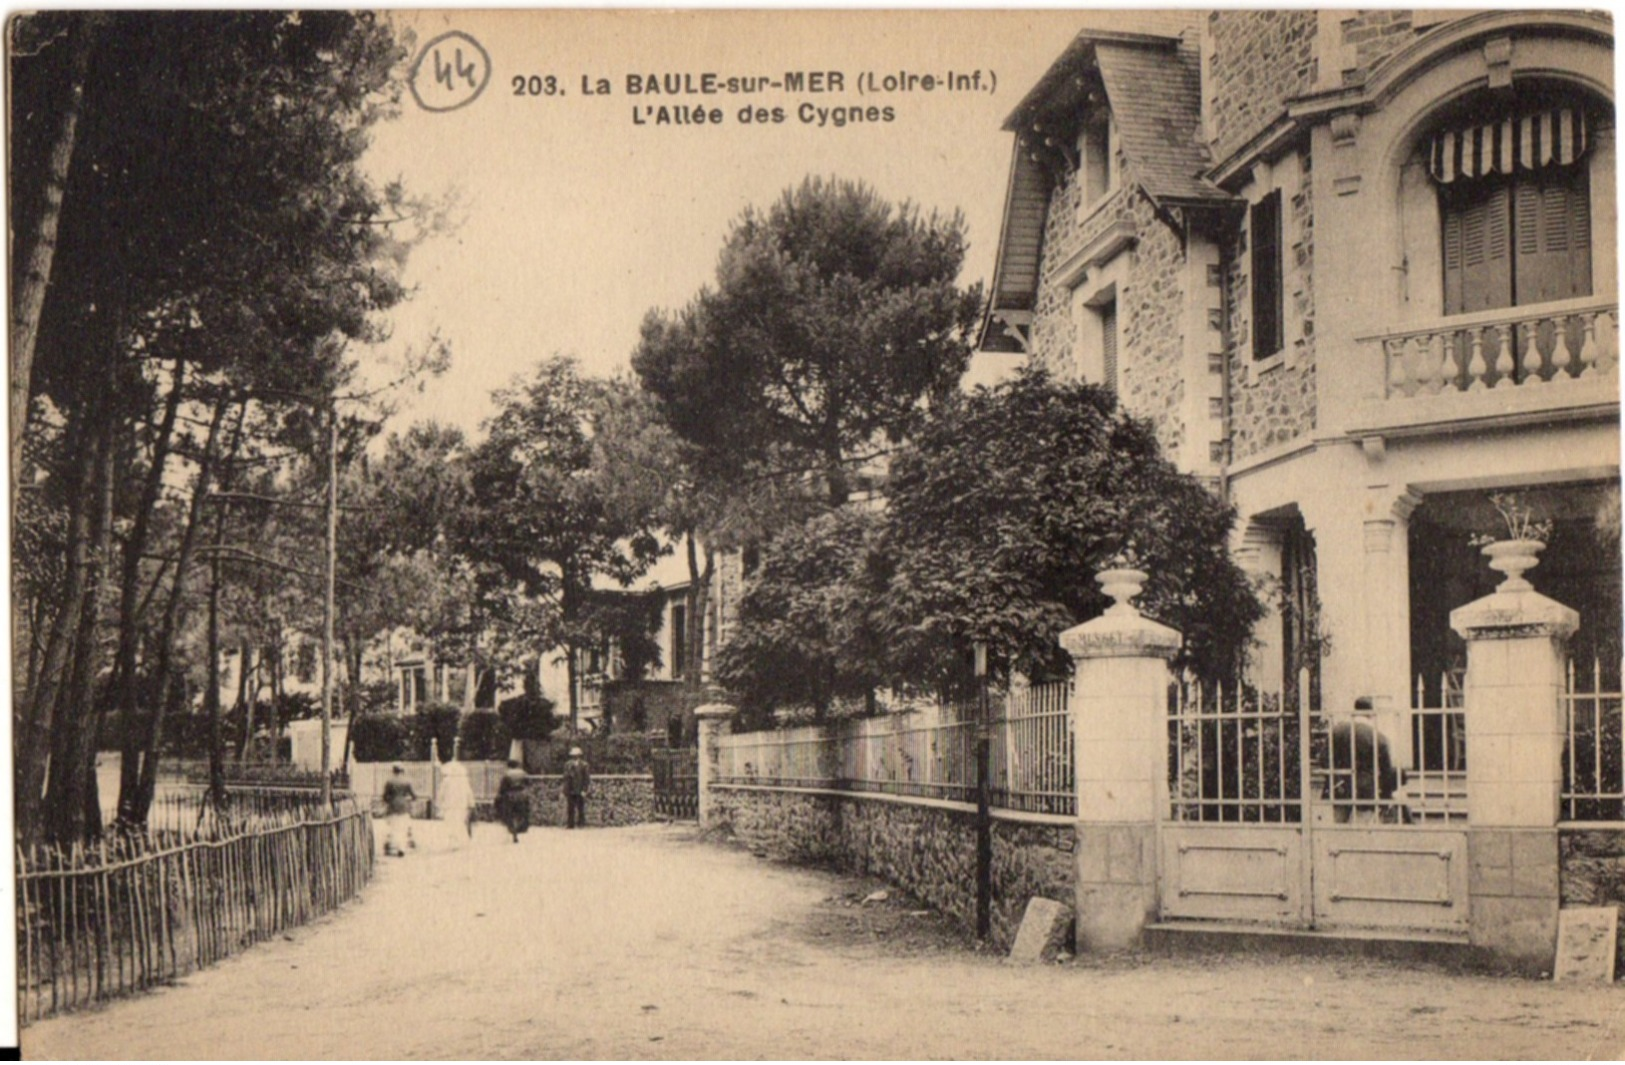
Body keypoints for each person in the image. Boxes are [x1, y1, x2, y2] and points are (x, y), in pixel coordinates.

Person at [437, 758, 476, 847]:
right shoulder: (464, 780)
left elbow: (441, 793)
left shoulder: (446, 780)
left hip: (449, 805)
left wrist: (439, 804)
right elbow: (469, 792)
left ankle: (453, 840)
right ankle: (461, 840)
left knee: (450, 823)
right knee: (460, 822)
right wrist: (471, 803)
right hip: (461, 805)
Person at [380, 764, 416, 857]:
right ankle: (402, 848)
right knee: (403, 828)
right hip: (404, 807)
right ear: (402, 771)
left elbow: (385, 796)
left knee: (394, 828)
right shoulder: (407, 782)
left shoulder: (389, 782)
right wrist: (408, 799)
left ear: (393, 771)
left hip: (393, 807)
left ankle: (393, 846)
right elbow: (414, 796)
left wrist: (388, 801)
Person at [494, 759, 530, 843]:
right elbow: (528, 784)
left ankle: (514, 831)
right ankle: (518, 827)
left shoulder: (507, 774)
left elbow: (503, 787)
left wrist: (499, 795)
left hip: (510, 796)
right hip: (522, 795)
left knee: (510, 814)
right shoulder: (523, 773)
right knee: (521, 813)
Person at [563, 746, 591, 829]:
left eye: (576, 755)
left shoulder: (584, 765)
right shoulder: (567, 764)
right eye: (573, 755)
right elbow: (565, 778)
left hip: (579, 789)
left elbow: (586, 779)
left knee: (580, 807)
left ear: (579, 755)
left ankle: (581, 824)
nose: (575, 757)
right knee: (570, 808)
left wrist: (584, 790)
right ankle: (570, 824)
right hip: (570, 789)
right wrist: (565, 789)